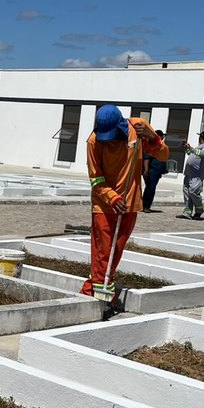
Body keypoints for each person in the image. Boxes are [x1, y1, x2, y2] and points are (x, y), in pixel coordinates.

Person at [82, 105, 168, 305]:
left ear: (120, 127)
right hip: (104, 204)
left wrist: (152, 138)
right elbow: (95, 178)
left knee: (115, 251)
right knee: (103, 252)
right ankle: (98, 299)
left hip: (130, 203)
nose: (108, 141)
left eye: (111, 136)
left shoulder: (138, 129)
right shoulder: (94, 141)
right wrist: (111, 197)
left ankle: (94, 291)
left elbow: (163, 156)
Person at [177, 131, 204, 220]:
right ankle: (187, 212)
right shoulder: (199, 147)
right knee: (187, 193)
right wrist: (187, 148)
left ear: (201, 138)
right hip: (189, 173)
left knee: (193, 192)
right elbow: (191, 154)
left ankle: (199, 210)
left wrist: (191, 148)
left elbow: (202, 154)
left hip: (197, 175)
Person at [141, 129, 169, 213]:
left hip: (156, 172)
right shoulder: (152, 146)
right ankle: (146, 206)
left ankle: (145, 205)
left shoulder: (160, 146)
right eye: (161, 136)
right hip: (151, 171)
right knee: (150, 188)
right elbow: (147, 158)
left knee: (150, 188)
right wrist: (146, 170)